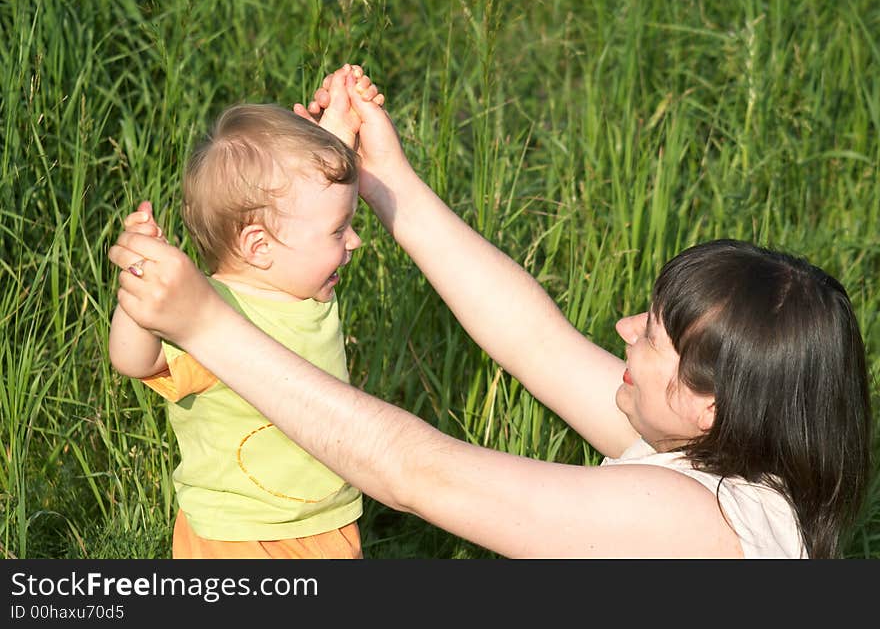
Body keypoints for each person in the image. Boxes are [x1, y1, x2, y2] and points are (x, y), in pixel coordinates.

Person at [109, 65, 873, 558]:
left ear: (709, 405)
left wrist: (208, 325)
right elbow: (531, 338)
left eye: (651, 335)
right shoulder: (735, 461)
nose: (622, 330)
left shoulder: (691, 528)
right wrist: (383, 181)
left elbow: (421, 475)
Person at [108, 65, 385, 559]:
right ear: (259, 246)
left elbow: (309, 200)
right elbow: (135, 362)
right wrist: (140, 289)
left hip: (330, 521)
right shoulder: (208, 312)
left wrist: (338, 133)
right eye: (340, 230)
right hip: (239, 537)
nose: (355, 242)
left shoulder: (308, 286)